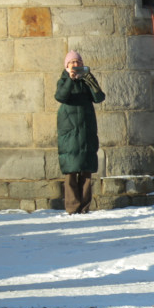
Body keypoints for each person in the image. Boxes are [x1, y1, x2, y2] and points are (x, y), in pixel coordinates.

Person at [56, 51, 105, 214]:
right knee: (71, 169)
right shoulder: (63, 80)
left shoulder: (86, 81)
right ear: (67, 65)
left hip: (86, 129)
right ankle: (72, 207)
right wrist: (70, 79)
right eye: (73, 62)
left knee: (86, 169)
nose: (76, 65)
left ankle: (84, 206)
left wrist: (89, 78)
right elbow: (61, 96)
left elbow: (99, 97)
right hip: (70, 130)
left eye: (79, 62)